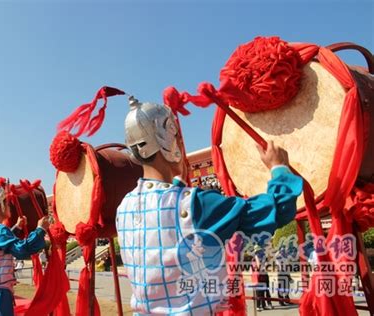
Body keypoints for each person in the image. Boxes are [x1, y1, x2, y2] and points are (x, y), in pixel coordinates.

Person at [116, 97, 303, 314]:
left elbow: (164, 222)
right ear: (166, 140)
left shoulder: (124, 208)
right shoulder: (195, 205)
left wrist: (177, 182)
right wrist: (278, 167)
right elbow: (277, 209)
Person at [0, 184, 50, 316]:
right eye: (6, 203)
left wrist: (16, 227)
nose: (9, 207)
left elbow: (0, 244)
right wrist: (40, 230)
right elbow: (21, 250)